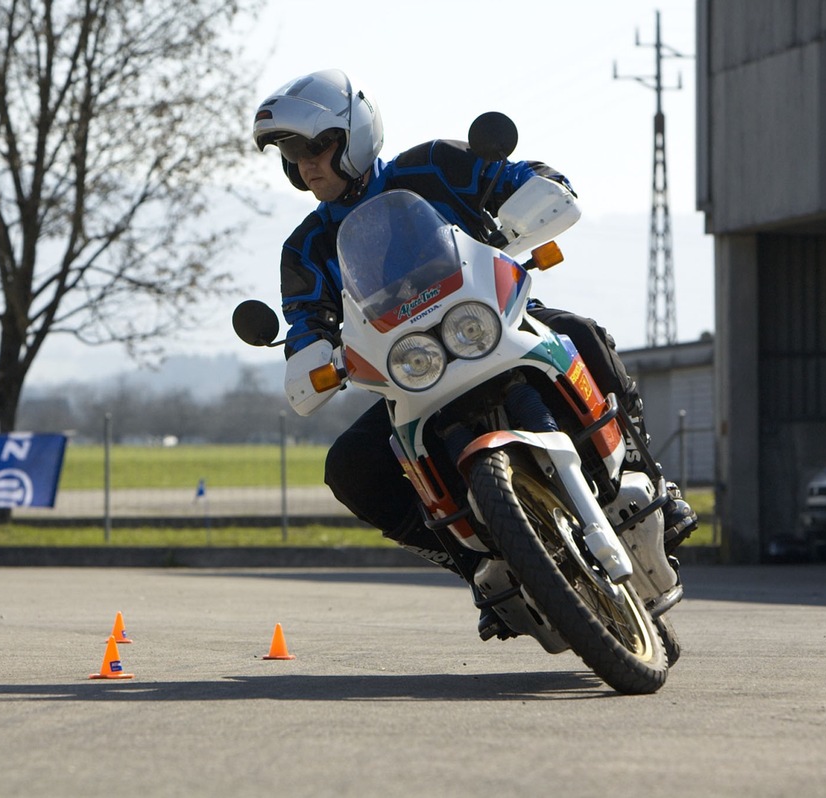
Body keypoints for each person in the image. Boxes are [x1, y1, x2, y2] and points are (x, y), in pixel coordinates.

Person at [253, 69, 696, 639]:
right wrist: (309, 354)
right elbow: (306, 321)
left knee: (581, 334)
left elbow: (525, 176)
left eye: (318, 145)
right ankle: (481, 566)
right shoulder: (306, 248)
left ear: (355, 134)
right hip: (413, 372)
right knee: (351, 468)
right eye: (292, 152)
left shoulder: (436, 165)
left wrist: (531, 203)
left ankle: (645, 474)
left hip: (492, 326)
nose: (306, 163)